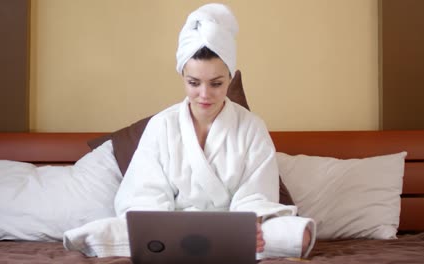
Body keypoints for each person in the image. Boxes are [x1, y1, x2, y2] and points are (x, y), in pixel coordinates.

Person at [64, 3, 315, 259]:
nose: (204, 95)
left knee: (298, 235)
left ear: (229, 77)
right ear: (183, 75)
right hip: (171, 226)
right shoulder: (162, 125)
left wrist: (252, 223)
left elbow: (257, 193)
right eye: (194, 83)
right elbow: (143, 194)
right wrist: (166, 226)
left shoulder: (252, 126)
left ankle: (210, 242)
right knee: (101, 231)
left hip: (234, 226)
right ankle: (190, 242)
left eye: (216, 83)